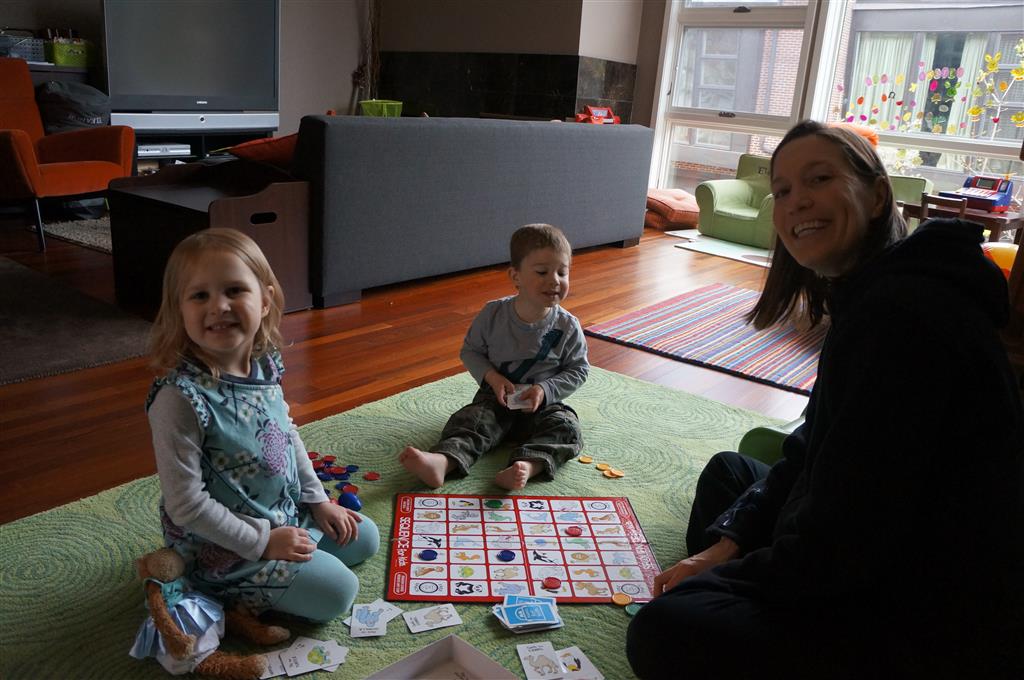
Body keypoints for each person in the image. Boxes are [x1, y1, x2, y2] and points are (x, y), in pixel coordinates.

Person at [626, 121, 1024, 679]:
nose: (796, 201)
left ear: (877, 195)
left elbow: (849, 540)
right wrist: (729, 544)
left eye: (819, 179)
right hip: (862, 533)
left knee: (664, 628)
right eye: (783, 189)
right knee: (729, 476)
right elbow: (816, 442)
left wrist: (725, 575)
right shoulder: (875, 291)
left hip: (918, 602)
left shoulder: (902, 318)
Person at [146, 228, 379, 623]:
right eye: (199, 296)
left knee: (365, 537)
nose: (219, 306)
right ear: (178, 311)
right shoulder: (179, 399)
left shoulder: (264, 365)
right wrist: (262, 542)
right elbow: (186, 506)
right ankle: (215, 590)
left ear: (265, 299)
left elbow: (286, 435)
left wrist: (318, 501)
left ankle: (296, 550)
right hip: (221, 546)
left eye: (234, 290)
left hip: (283, 513)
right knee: (339, 592)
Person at [400, 223, 589, 490]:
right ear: (516, 276)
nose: (555, 280)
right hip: (495, 401)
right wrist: (492, 377)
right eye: (542, 272)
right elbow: (471, 351)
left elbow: (579, 369)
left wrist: (545, 390)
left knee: (567, 428)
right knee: (471, 420)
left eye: (562, 272)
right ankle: (443, 461)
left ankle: (527, 466)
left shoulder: (568, 326)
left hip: (542, 407)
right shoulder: (493, 315)